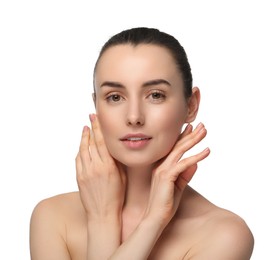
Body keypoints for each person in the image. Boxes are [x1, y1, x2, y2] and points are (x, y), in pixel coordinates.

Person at [30, 27, 254, 259]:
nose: (134, 116)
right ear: (96, 105)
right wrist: (102, 220)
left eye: (155, 95)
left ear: (191, 105)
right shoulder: (52, 218)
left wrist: (154, 220)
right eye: (115, 97)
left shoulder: (224, 235)